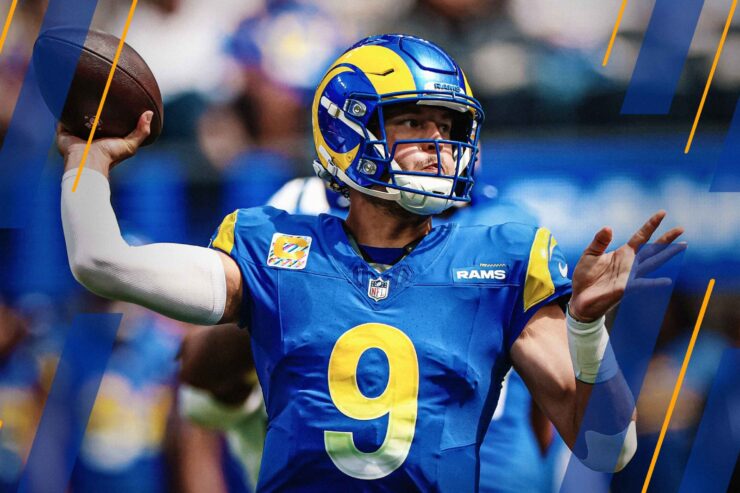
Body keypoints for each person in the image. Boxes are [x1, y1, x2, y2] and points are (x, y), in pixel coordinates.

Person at [58, 34, 682, 492]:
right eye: (414, 123)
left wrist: (587, 332)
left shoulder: (504, 258)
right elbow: (101, 263)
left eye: (448, 127)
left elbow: (608, 450)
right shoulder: (275, 243)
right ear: (347, 129)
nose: (440, 147)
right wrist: (89, 161)